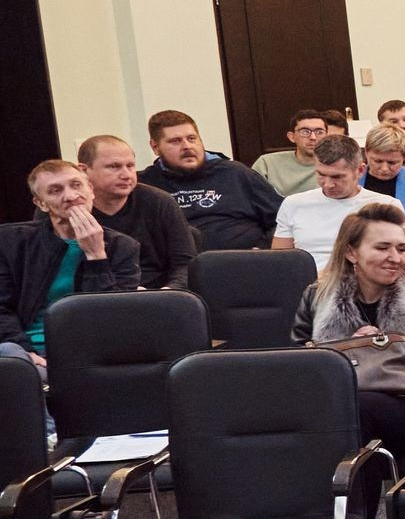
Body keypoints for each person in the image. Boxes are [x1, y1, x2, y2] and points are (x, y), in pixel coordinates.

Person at [291, 202, 405, 462]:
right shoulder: (317, 295)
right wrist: (348, 349)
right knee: (343, 412)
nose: (395, 257)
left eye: (401, 249)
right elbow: (300, 360)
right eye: (382, 248)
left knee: (355, 410)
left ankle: (349, 500)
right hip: (340, 401)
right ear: (351, 253)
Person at [0, 160, 140, 367]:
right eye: (55, 190)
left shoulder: (123, 247)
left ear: (91, 190)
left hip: (92, 353)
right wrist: (27, 352)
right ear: (41, 203)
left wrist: (96, 257)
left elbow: (113, 319)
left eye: (76, 185)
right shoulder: (10, 241)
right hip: (26, 351)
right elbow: (2, 308)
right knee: (10, 358)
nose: (71, 197)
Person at [139, 109, 281, 251]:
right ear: (155, 147)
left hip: (249, 260)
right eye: (175, 141)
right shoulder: (144, 184)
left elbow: (283, 218)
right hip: (180, 266)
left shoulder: (235, 173)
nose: (187, 146)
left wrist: (263, 249)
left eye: (192, 138)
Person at [78, 134, 194, 290]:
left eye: (130, 166)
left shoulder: (160, 202)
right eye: (114, 167)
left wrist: (169, 292)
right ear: (84, 170)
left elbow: (185, 263)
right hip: (96, 295)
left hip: (157, 294)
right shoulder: (68, 208)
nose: (126, 175)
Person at [272, 135, 384, 269]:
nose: (328, 184)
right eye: (321, 175)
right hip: (307, 283)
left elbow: (392, 261)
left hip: (363, 282)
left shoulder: (384, 206)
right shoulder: (293, 204)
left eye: (337, 177)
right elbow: (280, 262)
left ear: (360, 171)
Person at [251, 108, 331, 197]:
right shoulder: (267, 163)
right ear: (292, 137)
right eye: (305, 132)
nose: (313, 137)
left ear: (327, 136)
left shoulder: (336, 165)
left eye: (319, 132)